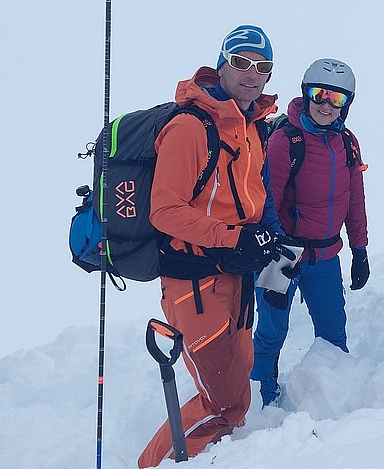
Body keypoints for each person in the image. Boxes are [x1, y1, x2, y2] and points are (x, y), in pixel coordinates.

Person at [138, 25, 295, 467]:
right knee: (219, 400)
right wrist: (234, 239)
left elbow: (250, 204)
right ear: (222, 63)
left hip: (236, 277)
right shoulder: (190, 126)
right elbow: (164, 211)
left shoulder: (250, 127)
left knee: (237, 395)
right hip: (194, 281)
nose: (253, 74)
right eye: (243, 62)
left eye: (263, 67)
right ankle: (150, 464)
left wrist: (274, 247)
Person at [250, 58, 370, 406]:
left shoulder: (347, 142)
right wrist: (274, 257)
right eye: (319, 95)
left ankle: (336, 398)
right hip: (284, 253)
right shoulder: (286, 140)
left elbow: (354, 199)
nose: (326, 105)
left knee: (333, 332)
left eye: (336, 99)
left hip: (327, 256)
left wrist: (360, 250)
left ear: (346, 104)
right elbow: (265, 198)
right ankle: (261, 399)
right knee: (272, 332)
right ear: (306, 93)